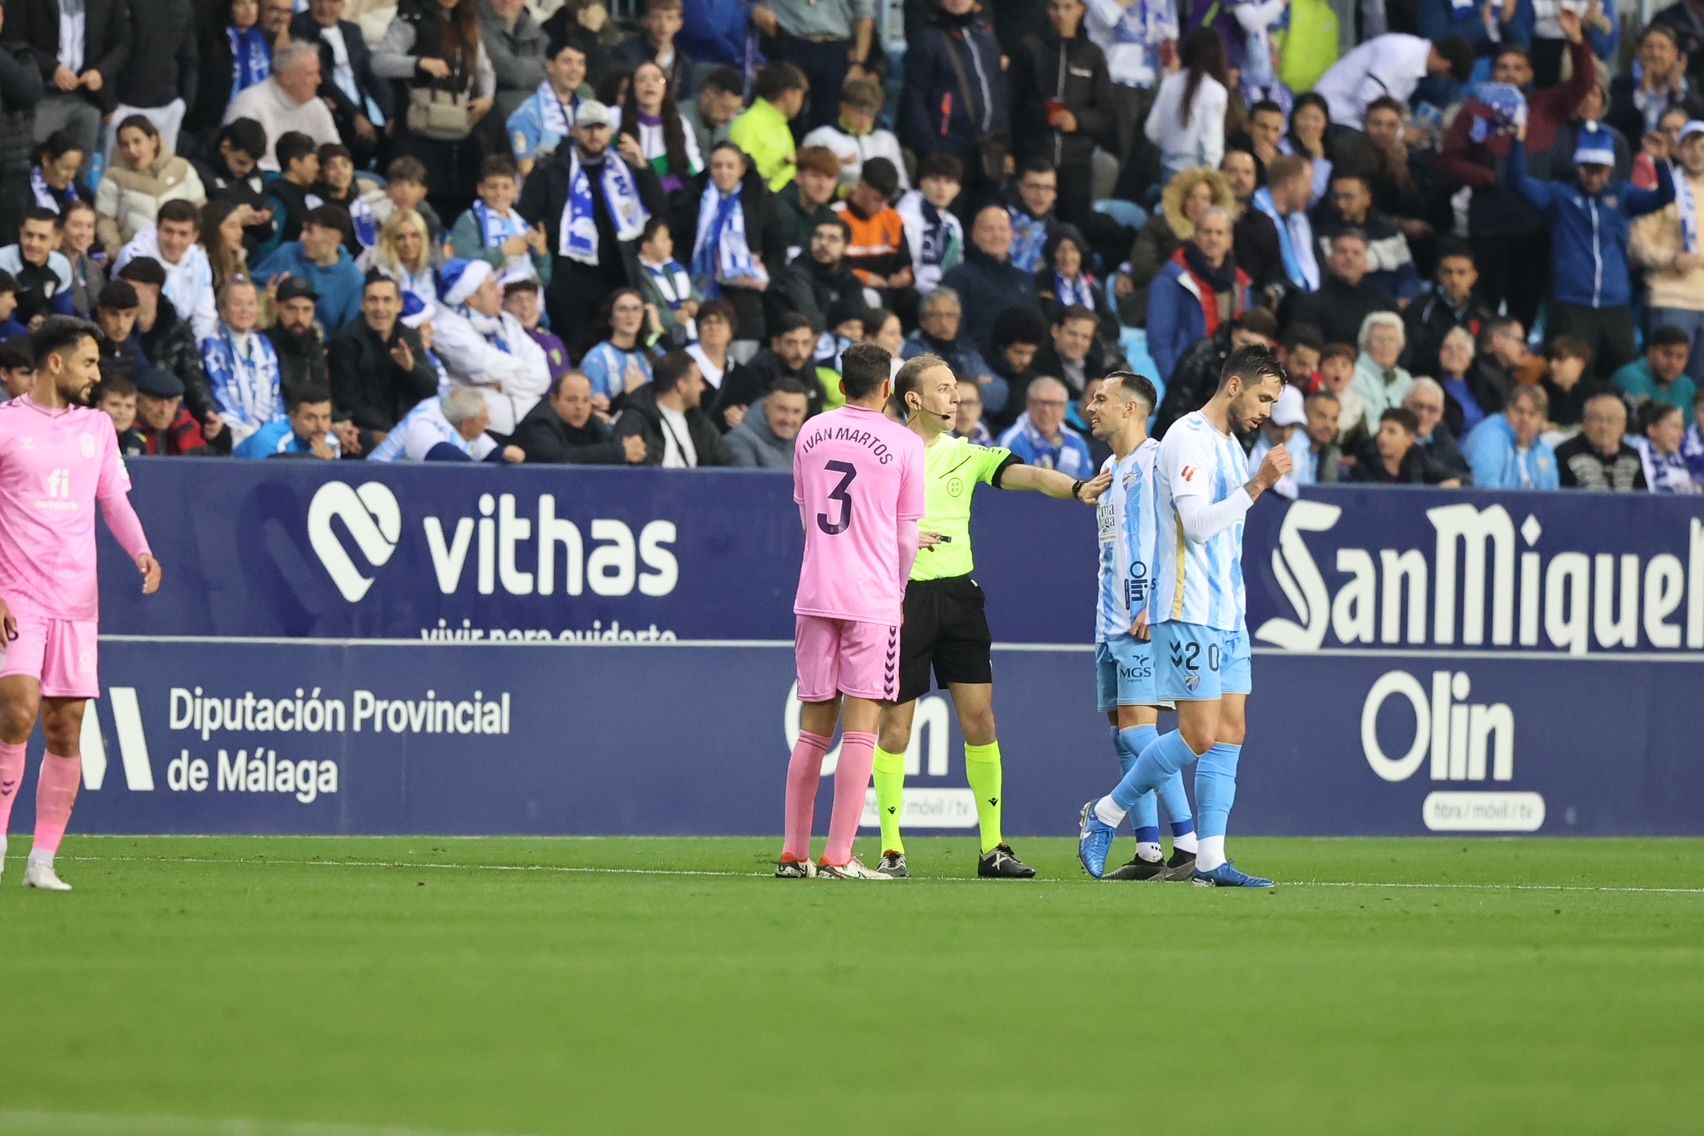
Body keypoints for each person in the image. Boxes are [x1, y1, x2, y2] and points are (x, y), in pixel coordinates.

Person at [868, 354, 1110, 879]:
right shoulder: (882, 451)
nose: (956, 398)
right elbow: (854, 521)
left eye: (956, 390)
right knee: (895, 728)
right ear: (914, 398)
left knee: (980, 719)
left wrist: (1076, 488)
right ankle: (891, 851)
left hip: (959, 600)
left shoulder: (966, 454)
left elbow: (1025, 475)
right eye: (945, 389)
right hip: (900, 599)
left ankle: (993, 848)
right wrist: (899, 537)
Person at [1077, 345, 1291, 888]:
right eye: (1264, 397)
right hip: (1188, 607)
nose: (1267, 411)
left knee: (1231, 733)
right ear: (1235, 386)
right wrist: (1259, 485)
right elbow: (1195, 524)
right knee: (1197, 734)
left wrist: (1252, 480)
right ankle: (1105, 814)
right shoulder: (1185, 438)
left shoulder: (1230, 447)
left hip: (1229, 610)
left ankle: (1211, 861)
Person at [0, 316, 161, 891]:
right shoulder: (4, 424)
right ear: (56, 363)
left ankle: (41, 860)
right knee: (16, 711)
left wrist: (142, 552)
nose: (98, 374)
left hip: (76, 601)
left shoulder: (96, 428)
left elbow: (112, 500)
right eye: (90, 362)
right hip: (16, 596)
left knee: (65, 730)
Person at [777, 342, 922, 879]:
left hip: (815, 592)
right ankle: (839, 855)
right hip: (871, 598)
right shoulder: (905, 443)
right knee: (861, 730)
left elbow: (805, 515)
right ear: (887, 388)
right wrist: (898, 591)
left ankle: (795, 854)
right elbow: (906, 535)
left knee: (814, 729)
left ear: (841, 385)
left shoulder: (811, 431)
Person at [1077, 370, 1201, 879]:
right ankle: (1149, 850)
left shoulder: (1156, 462)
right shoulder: (1109, 468)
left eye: (1101, 398)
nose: (1091, 406)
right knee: (1122, 736)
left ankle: (1189, 845)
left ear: (1131, 408)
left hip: (1144, 619)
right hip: (1109, 622)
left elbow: (1181, 535)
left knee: (1140, 736)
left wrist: (1156, 600)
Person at [1508, 124, 1673, 382]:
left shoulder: (1623, 195)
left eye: (1600, 171)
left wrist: (1661, 161)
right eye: (1587, 170)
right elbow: (1517, 181)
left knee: (1621, 374)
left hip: (1615, 304)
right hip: (1572, 303)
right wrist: (1517, 140)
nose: (1593, 178)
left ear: (1610, 170)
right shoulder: (1560, 196)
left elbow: (1665, 196)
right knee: (1569, 378)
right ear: (1577, 167)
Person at [518, 98, 662, 340]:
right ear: (574, 130)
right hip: (569, 279)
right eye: (587, 127)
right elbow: (526, 215)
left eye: (600, 127)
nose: (594, 135)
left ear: (610, 131)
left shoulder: (624, 167)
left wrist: (642, 166)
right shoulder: (551, 169)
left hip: (616, 274)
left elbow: (658, 207)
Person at [372, 0, 496, 221]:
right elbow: (380, 61)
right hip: (419, 130)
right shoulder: (412, 17)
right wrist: (419, 63)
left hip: (458, 129)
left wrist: (486, 97)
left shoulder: (467, 21)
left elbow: (484, 68)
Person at [1008, 0, 1114, 228]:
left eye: (1068, 7)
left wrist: (1077, 121)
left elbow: (1106, 113)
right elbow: (1010, 104)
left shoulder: (1093, 55)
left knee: (1072, 232)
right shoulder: (1029, 48)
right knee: (1025, 229)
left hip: (1075, 162)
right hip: (1033, 155)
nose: (1061, 14)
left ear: (1081, 10)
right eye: (1055, 7)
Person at [899, 0, 1008, 207]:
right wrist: (932, 150)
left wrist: (1004, 143)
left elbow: (999, 93)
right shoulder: (928, 40)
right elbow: (914, 101)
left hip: (987, 153)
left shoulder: (985, 37)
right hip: (947, 152)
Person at [432, 257, 549, 435]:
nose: (500, 292)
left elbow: (542, 375)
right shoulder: (447, 329)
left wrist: (501, 384)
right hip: (484, 431)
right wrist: (522, 370)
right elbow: (484, 366)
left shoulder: (507, 321)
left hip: (528, 423)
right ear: (470, 298)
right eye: (491, 286)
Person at [329, 273, 440, 445]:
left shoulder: (408, 337)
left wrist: (411, 368)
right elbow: (348, 401)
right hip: (364, 430)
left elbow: (431, 388)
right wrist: (392, 433)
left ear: (399, 305)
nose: (379, 308)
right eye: (373, 300)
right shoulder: (345, 340)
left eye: (387, 300)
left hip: (408, 427)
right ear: (363, 305)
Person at [1147, 207, 1249, 383]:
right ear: (1194, 236)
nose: (1213, 239)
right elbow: (1159, 343)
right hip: (1186, 379)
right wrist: (1177, 386)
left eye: (1219, 233)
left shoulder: (1240, 282)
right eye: (1207, 232)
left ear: (1229, 241)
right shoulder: (1171, 280)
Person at [292, 0, 392, 165]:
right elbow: (324, 79)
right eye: (318, 1)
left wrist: (390, 116)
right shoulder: (300, 28)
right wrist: (355, 116)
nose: (325, 8)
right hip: (330, 112)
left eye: (333, 1)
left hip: (361, 116)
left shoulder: (352, 31)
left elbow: (373, 77)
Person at [1311, 33, 1473, 128]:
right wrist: (1399, 133)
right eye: (1448, 77)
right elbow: (1366, 98)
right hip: (1334, 115)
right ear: (1446, 66)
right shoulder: (1401, 52)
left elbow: (1389, 104)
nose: (1442, 79)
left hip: (1354, 120)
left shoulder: (1416, 66)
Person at [222, 42, 339, 172]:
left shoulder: (316, 106)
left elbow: (334, 154)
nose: (319, 80)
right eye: (311, 74)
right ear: (288, 78)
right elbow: (242, 161)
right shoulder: (249, 103)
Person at [939, 206, 1038, 357]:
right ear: (974, 235)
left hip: (1024, 364)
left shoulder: (1025, 280)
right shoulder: (958, 277)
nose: (996, 235)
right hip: (976, 362)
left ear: (1012, 235)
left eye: (1002, 229)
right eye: (988, 230)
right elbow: (954, 332)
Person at [611, 348, 731, 468]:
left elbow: (727, 460)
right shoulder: (635, 419)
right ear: (681, 386)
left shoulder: (698, 421)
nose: (703, 387)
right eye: (699, 380)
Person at [115, 200, 218, 341]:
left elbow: (204, 315)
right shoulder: (134, 255)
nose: (174, 241)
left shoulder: (199, 259)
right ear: (157, 227)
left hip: (180, 338)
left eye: (183, 234)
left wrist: (195, 351)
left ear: (195, 236)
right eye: (168, 231)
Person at [201, 278, 281, 448]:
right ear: (222, 310)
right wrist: (248, 433)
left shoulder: (264, 345)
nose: (245, 310)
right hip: (233, 433)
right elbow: (220, 394)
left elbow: (275, 395)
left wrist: (271, 432)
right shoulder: (212, 346)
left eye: (251, 303)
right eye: (237, 303)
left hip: (266, 435)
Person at [1288, 229, 1399, 348]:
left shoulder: (1385, 304)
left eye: (1356, 253)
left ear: (1366, 262)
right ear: (1329, 260)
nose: (1349, 258)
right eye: (1342, 251)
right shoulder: (1309, 304)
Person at [510, 369, 648, 465]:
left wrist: (630, 449)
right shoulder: (538, 423)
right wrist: (618, 453)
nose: (579, 407)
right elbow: (559, 458)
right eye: (571, 399)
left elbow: (608, 446)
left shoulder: (593, 423)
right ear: (554, 400)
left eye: (586, 400)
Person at [1145, 28, 1228, 185]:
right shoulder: (1216, 91)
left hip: (1167, 168)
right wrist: (1211, 174)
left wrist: (1172, 149)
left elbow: (1152, 130)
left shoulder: (1169, 83)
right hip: (1198, 175)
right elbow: (1211, 143)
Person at [449, 154, 550, 283]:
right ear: (480, 189)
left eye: (506, 187)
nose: (499, 193)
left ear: (516, 191)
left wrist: (542, 254)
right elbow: (463, 263)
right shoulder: (470, 220)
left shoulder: (523, 225)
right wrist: (503, 252)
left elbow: (543, 280)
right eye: (492, 187)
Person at [506, 34, 592, 176]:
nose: (575, 69)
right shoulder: (527, 114)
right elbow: (526, 170)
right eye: (567, 62)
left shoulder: (589, 109)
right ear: (550, 66)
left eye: (580, 63)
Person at [369, 387, 525, 463]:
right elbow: (455, 464)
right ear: (466, 423)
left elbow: (493, 455)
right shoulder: (422, 421)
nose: (489, 423)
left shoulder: (465, 426)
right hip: (374, 482)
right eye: (484, 419)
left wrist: (508, 454)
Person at [1461, 384, 1560, 490]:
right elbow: (1487, 492)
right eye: (1520, 411)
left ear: (1542, 419)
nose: (1525, 419)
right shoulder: (1490, 438)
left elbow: (1553, 498)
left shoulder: (1544, 451)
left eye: (1532, 414)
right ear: (1508, 410)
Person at [728, 62, 807, 192]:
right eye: (801, 95)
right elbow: (743, 176)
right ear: (789, 94)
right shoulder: (749, 124)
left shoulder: (781, 126)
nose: (801, 102)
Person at [996, 374, 1095, 476]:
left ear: (1064, 408)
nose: (1046, 410)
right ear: (1028, 404)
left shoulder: (1077, 442)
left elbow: (1086, 483)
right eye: (1040, 403)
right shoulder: (1011, 441)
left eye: (1053, 404)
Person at [1556, 392, 1645, 490]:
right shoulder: (1564, 453)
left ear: (1623, 426)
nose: (1604, 427)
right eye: (1597, 419)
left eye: (1611, 420)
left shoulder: (1633, 456)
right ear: (1584, 422)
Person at [1613, 326, 1698, 427]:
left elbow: (1689, 426)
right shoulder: (1629, 377)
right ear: (1651, 352)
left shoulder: (1687, 385)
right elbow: (1650, 422)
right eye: (1666, 354)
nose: (1673, 363)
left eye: (1680, 357)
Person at [0, 208, 74, 323]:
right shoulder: (3, 261)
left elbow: (64, 314)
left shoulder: (61, 265)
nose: (33, 243)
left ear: (57, 239)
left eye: (42, 237)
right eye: (29, 235)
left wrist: (45, 324)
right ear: (21, 232)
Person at [234, 381, 340, 459]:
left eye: (325, 417)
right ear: (293, 417)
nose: (320, 426)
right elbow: (267, 483)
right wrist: (319, 461)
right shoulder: (269, 440)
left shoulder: (332, 441)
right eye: (310, 418)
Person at [1349, 311, 1413, 435]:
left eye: (1391, 340)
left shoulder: (1405, 378)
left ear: (1400, 345)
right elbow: (1371, 423)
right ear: (1366, 343)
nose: (1386, 345)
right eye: (1378, 339)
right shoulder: (1353, 375)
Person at [725, 378, 809, 469]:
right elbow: (747, 482)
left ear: (805, 413)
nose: (788, 419)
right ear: (765, 408)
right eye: (781, 409)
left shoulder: (809, 443)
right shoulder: (739, 440)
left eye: (796, 412)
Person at [1401, 378, 1472, 485]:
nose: (1423, 415)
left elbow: (1467, 478)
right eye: (1418, 407)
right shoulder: (1394, 439)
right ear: (1404, 406)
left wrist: (1459, 482)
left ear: (1440, 415)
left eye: (1432, 409)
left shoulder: (1444, 438)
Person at [132, 363, 209, 454]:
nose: (164, 410)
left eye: (171, 402)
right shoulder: (125, 432)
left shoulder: (187, 427)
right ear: (138, 401)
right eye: (155, 401)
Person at [1347, 407, 1427, 484]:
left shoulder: (1420, 468)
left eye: (1391, 431)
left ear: (1410, 439)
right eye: (1380, 430)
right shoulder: (1362, 470)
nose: (1382, 436)